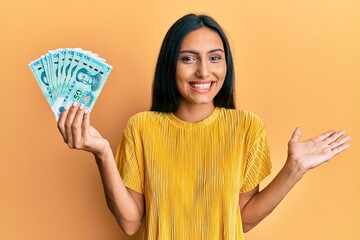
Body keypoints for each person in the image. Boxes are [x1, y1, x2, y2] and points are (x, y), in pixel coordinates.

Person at [57, 14, 350, 239]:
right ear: (170, 65)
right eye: (188, 59)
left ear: (226, 65)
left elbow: (243, 219)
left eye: (214, 58)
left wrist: (294, 169)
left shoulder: (246, 127)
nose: (203, 71)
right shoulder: (141, 128)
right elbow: (132, 223)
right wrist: (103, 153)